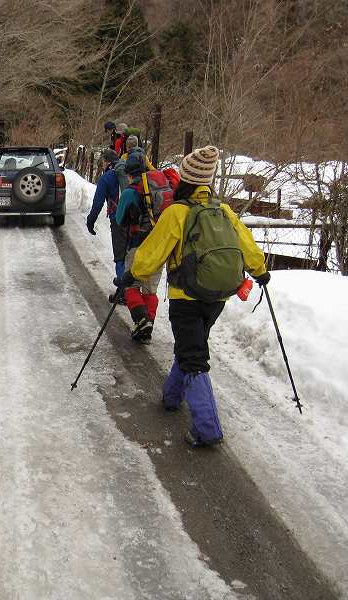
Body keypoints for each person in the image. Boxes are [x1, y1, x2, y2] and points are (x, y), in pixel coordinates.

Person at [119, 146, 271, 447]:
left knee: (194, 357)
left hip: (185, 296)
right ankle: (172, 397)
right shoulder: (223, 210)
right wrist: (260, 271)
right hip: (216, 297)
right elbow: (248, 245)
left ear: (185, 179)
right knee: (192, 345)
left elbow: (152, 254)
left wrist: (131, 274)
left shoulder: (177, 213)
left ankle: (206, 429)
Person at [114, 152, 164, 342]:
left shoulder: (130, 191)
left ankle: (142, 321)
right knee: (150, 290)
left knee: (131, 285)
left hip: (138, 244)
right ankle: (147, 325)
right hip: (159, 245)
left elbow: (120, 220)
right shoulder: (160, 186)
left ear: (128, 173)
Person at [86, 149, 127, 283]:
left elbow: (98, 203)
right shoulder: (128, 171)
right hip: (137, 217)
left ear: (106, 161)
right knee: (132, 252)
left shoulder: (106, 177)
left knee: (120, 254)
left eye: (102, 162)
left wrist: (90, 221)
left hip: (118, 219)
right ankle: (133, 287)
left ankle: (122, 287)